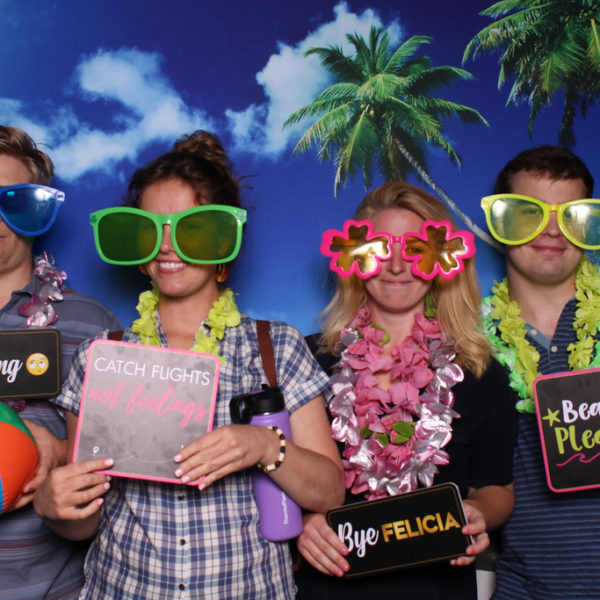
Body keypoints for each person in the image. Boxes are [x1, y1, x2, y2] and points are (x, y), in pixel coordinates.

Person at [33, 130, 345, 599]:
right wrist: (54, 506)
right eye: (151, 229)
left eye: (190, 227)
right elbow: (85, 523)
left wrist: (265, 446)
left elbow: (330, 491)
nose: (167, 245)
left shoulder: (276, 347)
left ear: (223, 239)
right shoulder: (102, 357)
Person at [294, 181, 517, 599]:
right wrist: (301, 524)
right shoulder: (307, 360)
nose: (396, 266)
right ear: (354, 256)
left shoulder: (480, 372)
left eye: (416, 249)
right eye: (379, 249)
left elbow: (498, 489)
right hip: (329, 587)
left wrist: (478, 513)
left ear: (444, 259)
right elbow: (280, 478)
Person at [0, 125, 121, 599]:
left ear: (35, 210)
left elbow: (129, 457)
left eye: (11, 200)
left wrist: (58, 450)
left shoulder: (92, 323)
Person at [480, 146, 600, 599]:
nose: (551, 230)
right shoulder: (467, 343)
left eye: (570, 216)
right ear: (501, 224)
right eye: (528, 214)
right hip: (524, 590)